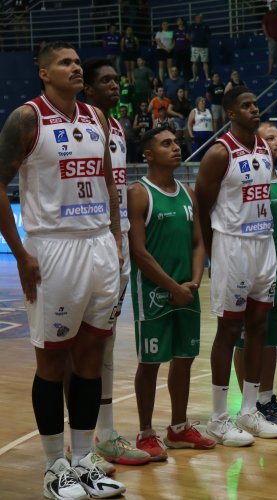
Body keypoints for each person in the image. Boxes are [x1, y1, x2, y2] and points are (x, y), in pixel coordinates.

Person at [0, 41, 126, 498]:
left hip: (98, 248)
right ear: (43, 73)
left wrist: (115, 237)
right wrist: (20, 252)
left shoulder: (97, 118)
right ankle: (55, 467)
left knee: (91, 359)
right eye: (65, 63)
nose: (76, 68)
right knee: (52, 361)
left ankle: (84, 461)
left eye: (77, 62)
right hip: (53, 249)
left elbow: (111, 185)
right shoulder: (26, 119)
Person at [195, 86, 277, 445]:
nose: (254, 109)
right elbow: (203, 207)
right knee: (229, 331)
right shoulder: (220, 153)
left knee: (259, 327)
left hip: (264, 244)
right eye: (246, 106)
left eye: (255, 104)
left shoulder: (264, 149)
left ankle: (249, 410)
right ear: (231, 113)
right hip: (232, 245)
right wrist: (213, 254)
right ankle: (219, 417)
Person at [129, 126, 216, 460]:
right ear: (148, 155)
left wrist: (194, 281)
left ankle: (178, 428)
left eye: (176, 142)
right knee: (150, 362)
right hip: (155, 293)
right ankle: (145, 432)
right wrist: (172, 287)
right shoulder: (139, 193)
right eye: (166, 144)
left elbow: (198, 242)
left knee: (184, 358)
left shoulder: (188, 193)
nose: (176, 147)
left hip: (187, 290)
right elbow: (139, 251)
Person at [82, 57, 152, 469]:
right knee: (80, 347)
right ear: (87, 89)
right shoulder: (82, 127)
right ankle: (82, 440)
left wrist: (122, 238)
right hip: (87, 243)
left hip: (117, 242)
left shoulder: (118, 127)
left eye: (116, 79)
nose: (115, 85)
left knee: (104, 342)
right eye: (105, 80)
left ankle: (104, 435)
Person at [232, 122, 277, 423]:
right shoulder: (251, 182)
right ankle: (247, 402)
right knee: (245, 339)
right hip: (256, 271)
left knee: (272, 339)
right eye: (269, 138)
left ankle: (265, 398)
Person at [168, 87, 192, 155]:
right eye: (180, 92)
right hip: (177, 119)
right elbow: (169, 110)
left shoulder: (187, 101)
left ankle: (191, 155)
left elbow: (191, 111)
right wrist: (178, 114)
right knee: (178, 137)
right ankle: (178, 155)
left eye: (183, 92)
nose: (182, 93)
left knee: (188, 138)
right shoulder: (173, 101)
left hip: (185, 120)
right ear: (177, 93)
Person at [189, 14, 211, 82]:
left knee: (205, 62)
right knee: (194, 62)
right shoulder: (192, 26)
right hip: (195, 47)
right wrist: (192, 41)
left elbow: (209, 35)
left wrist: (205, 40)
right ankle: (194, 77)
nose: (198, 19)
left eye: (200, 18)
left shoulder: (205, 26)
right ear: (195, 19)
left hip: (204, 47)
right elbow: (187, 34)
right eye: (197, 18)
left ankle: (207, 77)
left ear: (202, 19)